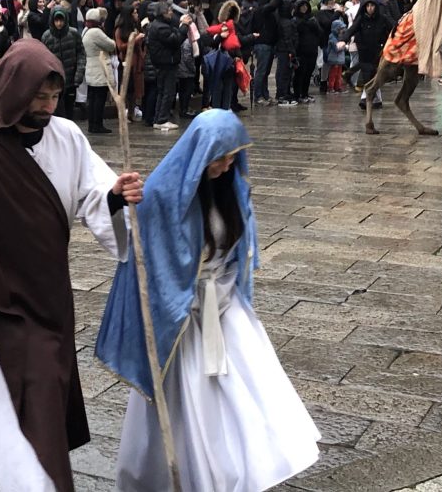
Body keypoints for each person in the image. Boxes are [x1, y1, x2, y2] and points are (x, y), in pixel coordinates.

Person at [0, 39, 143, 492]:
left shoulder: (68, 136)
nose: (48, 105)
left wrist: (116, 196)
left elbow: (94, 195)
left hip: (49, 296)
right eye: (39, 96)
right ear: (13, 90)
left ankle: (1, 481)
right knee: (16, 406)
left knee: (46, 399)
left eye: (54, 97)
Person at [96, 108, 321, 492]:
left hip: (224, 308)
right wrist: (118, 202)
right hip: (181, 318)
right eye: (219, 158)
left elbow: (236, 253)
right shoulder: (163, 197)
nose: (226, 165)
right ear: (199, 155)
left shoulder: (231, 190)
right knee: (187, 403)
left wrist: (225, 296)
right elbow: (132, 252)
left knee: (242, 396)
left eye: (233, 157)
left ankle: (238, 470)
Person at [147, 1, 191, 130]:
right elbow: (175, 40)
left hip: (163, 62)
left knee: (162, 91)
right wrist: (184, 26)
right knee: (168, 91)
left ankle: (158, 118)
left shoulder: (160, 24)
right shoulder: (161, 27)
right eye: (169, 11)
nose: (171, 13)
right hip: (166, 62)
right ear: (163, 12)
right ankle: (162, 119)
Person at [41, 7, 84, 119]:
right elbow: (43, 58)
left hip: (70, 81)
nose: (59, 23)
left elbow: (81, 54)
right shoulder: (46, 36)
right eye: (56, 20)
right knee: (56, 112)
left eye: (61, 20)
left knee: (69, 112)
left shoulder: (73, 34)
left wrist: (78, 75)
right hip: (54, 81)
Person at [82, 7, 116, 134]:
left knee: (92, 98)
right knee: (99, 99)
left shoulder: (86, 30)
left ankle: (92, 124)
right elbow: (111, 45)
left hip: (91, 67)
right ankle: (98, 124)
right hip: (99, 68)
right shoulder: (96, 32)